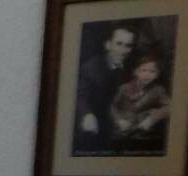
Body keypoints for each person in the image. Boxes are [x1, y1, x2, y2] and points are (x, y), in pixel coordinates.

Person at [74, 24, 136, 154]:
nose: (123, 50)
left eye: (128, 45)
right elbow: (80, 96)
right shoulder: (90, 68)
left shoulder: (133, 67)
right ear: (108, 45)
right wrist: (86, 114)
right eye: (119, 44)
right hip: (97, 131)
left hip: (122, 130)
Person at [110, 54, 172, 153]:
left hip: (143, 133)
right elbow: (113, 107)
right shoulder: (124, 88)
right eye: (143, 70)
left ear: (158, 74)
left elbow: (169, 107)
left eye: (152, 71)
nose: (147, 75)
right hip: (121, 131)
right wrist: (119, 120)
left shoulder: (158, 90)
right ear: (135, 72)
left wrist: (151, 119)